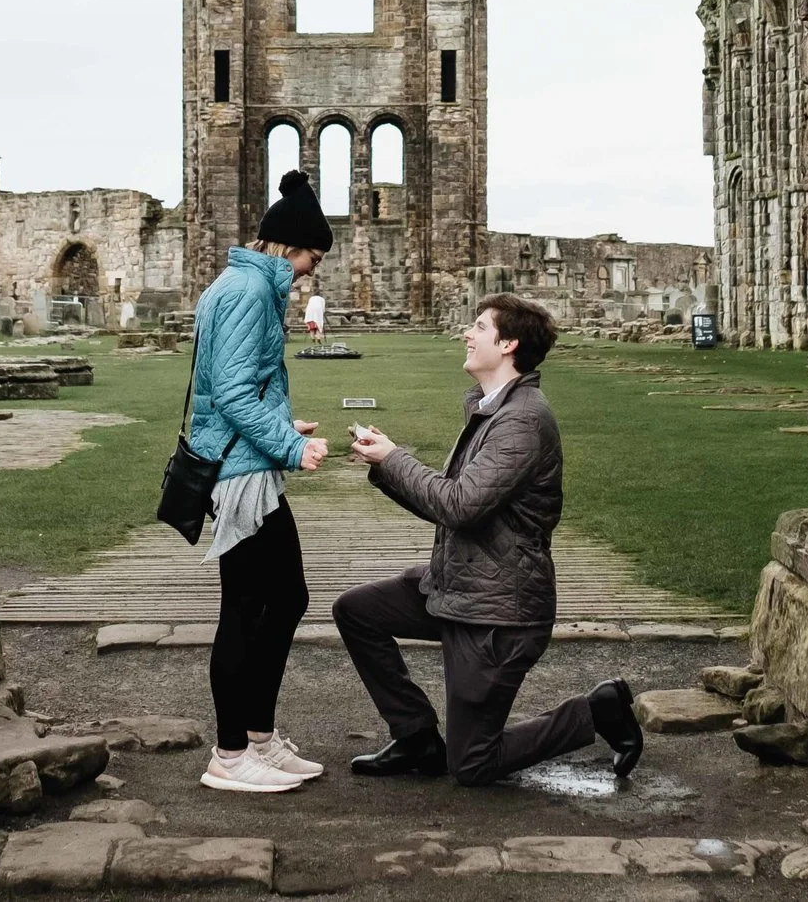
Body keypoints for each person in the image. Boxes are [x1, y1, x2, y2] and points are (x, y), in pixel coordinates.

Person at [333, 295, 645, 787]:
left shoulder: (522, 420)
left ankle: (596, 713)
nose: (467, 333)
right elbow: (453, 509)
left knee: (473, 763)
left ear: (508, 344)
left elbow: (459, 505)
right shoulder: (492, 409)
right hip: (458, 588)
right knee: (357, 611)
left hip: (498, 613)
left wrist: (395, 458)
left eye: (479, 326)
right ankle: (416, 738)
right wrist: (386, 465)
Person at [185, 170, 334, 794]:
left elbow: (235, 388)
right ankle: (229, 753)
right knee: (247, 609)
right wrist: (291, 445)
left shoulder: (249, 285)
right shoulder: (248, 290)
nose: (311, 273)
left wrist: (280, 421)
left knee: (285, 599)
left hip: (248, 464)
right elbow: (237, 393)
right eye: (312, 259)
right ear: (288, 246)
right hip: (242, 474)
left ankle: (259, 738)